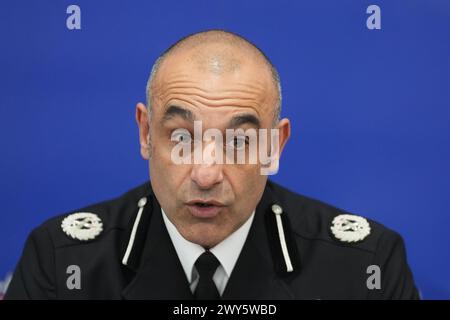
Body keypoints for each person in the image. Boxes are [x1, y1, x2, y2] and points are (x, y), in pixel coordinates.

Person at [5, 29, 419, 299]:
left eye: (239, 141)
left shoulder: (366, 267)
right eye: (181, 137)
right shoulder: (62, 264)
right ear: (146, 133)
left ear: (274, 146)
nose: (205, 174)